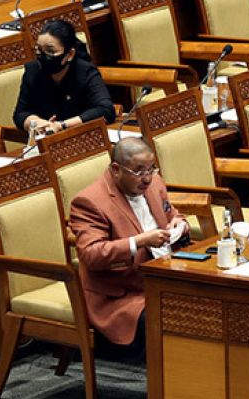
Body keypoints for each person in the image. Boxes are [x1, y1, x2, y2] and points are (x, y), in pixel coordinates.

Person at [69, 138, 188, 359]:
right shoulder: (89, 202)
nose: (147, 178)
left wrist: (180, 224)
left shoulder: (154, 183)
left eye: (151, 169)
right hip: (123, 292)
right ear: (116, 170)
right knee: (173, 317)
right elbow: (91, 254)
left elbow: (172, 214)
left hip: (167, 273)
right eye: (139, 171)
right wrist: (139, 241)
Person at [12, 19, 114, 133]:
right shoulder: (33, 71)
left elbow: (106, 110)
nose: (43, 56)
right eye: (39, 50)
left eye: (50, 51)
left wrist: (61, 125)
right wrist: (36, 123)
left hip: (83, 134)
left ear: (70, 54)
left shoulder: (85, 71)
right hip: (47, 138)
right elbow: (20, 113)